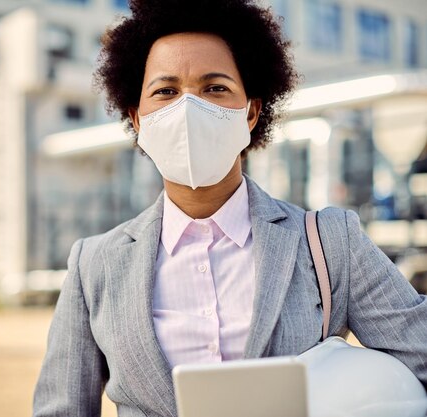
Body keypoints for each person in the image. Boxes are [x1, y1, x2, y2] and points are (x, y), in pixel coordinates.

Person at [33, 0, 427, 415]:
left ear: (252, 112)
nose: (188, 108)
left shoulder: (331, 242)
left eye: (215, 88)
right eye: (165, 91)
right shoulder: (94, 264)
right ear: (137, 117)